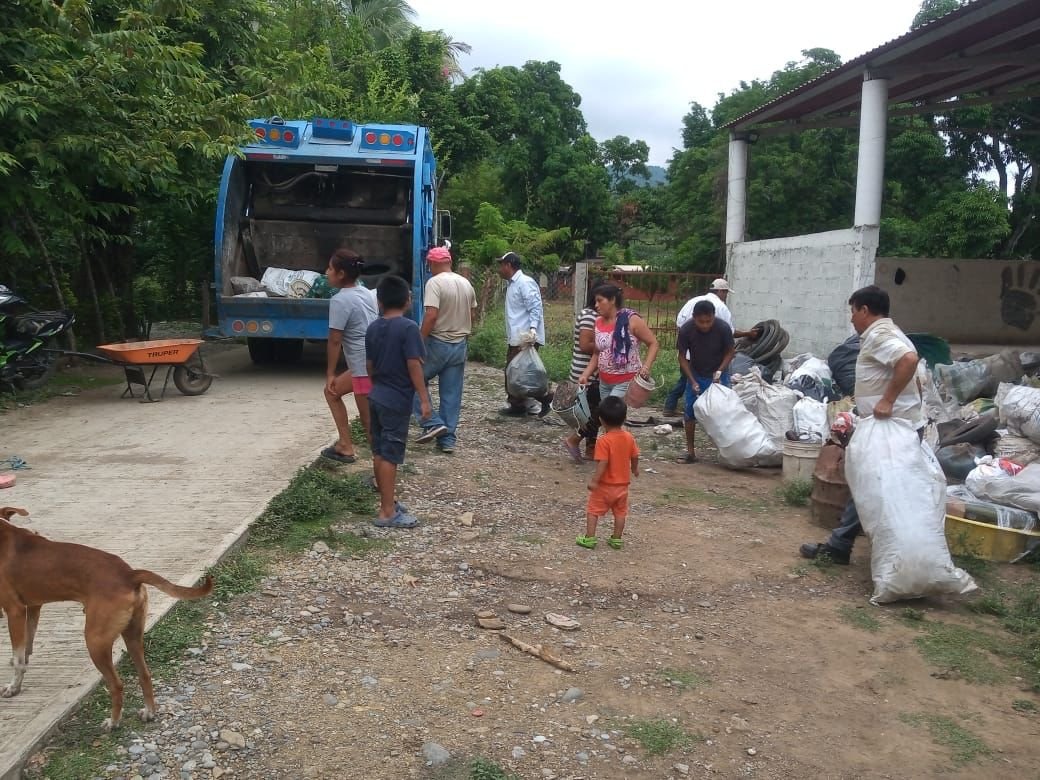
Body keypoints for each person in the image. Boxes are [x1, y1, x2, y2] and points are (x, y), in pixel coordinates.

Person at [800, 285, 923, 564]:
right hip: (895, 426)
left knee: (870, 483)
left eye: (853, 312)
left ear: (865, 310)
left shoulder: (879, 334)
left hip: (893, 429)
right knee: (870, 484)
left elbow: (908, 360)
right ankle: (844, 545)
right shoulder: (887, 333)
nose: (852, 318)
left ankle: (842, 546)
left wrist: (887, 401)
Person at [365, 276, 433, 529]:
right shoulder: (408, 328)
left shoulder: (373, 328)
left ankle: (388, 502)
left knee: (379, 452)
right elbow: (413, 364)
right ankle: (386, 513)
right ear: (407, 300)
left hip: (376, 396)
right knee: (390, 455)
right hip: (396, 401)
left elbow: (369, 366)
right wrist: (424, 401)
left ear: (380, 301)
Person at [413, 246, 477, 454]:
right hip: (460, 343)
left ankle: (431, 422)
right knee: (451, 393)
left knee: (411, 379)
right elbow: (472, 314)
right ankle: (447, 439)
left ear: (433, 263)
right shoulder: (466, 283)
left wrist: (419, 342)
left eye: (430, 265)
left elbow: (431, 315)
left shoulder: (434, 283)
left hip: (437, 342)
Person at [664, 279, 757, 415]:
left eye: (708, 321)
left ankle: (671, 406)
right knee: (694, 385)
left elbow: (679, 323)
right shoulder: (720, 307)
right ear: (720, 291)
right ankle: (699, 412)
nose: (705, 325)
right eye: (725, 293)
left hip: (693, 356)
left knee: (687, 381)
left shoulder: (692, 301)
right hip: (701, 356)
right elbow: (730, 332)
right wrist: (747, 333)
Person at [321, 249, 379, 463]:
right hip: (370, 364)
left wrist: (330, 373)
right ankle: (345, 445)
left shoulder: (340, 300)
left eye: (330, 268)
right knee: (332, 394)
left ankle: (380, 473)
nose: (326, 272)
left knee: (368, 421)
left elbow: (335, 340)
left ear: (341, 274)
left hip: (363, 372)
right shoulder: (366, 293)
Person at [675, 299, 735, 463]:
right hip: (696, 373)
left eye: (709, 321)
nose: (705, 325)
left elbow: (730, 352)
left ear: (713, 317)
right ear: (694, 318)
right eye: (701, 322)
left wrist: (720, 371)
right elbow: (681, 357)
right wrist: (692, 380)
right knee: (689, 413)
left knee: (724, 413)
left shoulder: (722, 328)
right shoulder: (686, 330)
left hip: (718, 374)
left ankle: (727, 452)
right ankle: (690, 452)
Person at [577, 396, 640, 550]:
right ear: (624, 418)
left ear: (601, 420)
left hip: (605, 486)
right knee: (620, 513)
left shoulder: (603, 441)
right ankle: (616, 539)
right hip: (622, 486)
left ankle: (590, 538)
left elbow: (602, 463)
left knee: (593, 510)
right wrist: (634, 469)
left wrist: (594, 481)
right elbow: (635, 455)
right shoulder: (629, 438)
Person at [577, 284, 659, 400]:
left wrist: (646, 367)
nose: (596, 305)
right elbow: (597, 353)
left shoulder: (631, 320)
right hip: (604, 382)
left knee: (611, 414)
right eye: (595, 302)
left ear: (612, 300)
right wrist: (585, 375)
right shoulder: (598, 322)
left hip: (626, 381)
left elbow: (653, 343)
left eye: (600, 301)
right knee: (609, 414)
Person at [498, 252, 552, 416]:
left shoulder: (524, 283)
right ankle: (530, 401)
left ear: (508, 265)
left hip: (525, 337)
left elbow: (535, 308)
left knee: (518, 373)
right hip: (517, 336)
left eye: (501, 265)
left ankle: (534, 400)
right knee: (518, 372)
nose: (499, 269)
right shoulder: (513, 284)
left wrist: (532, 331)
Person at [562, 284, 602, 463]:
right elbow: (585, 345)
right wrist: (609, 346)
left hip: (591, 372)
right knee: (595, 413)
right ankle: (575, 440)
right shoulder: (589, 316)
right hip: (586, 371)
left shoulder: (595, 316)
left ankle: (590, 449)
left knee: (594, 410)